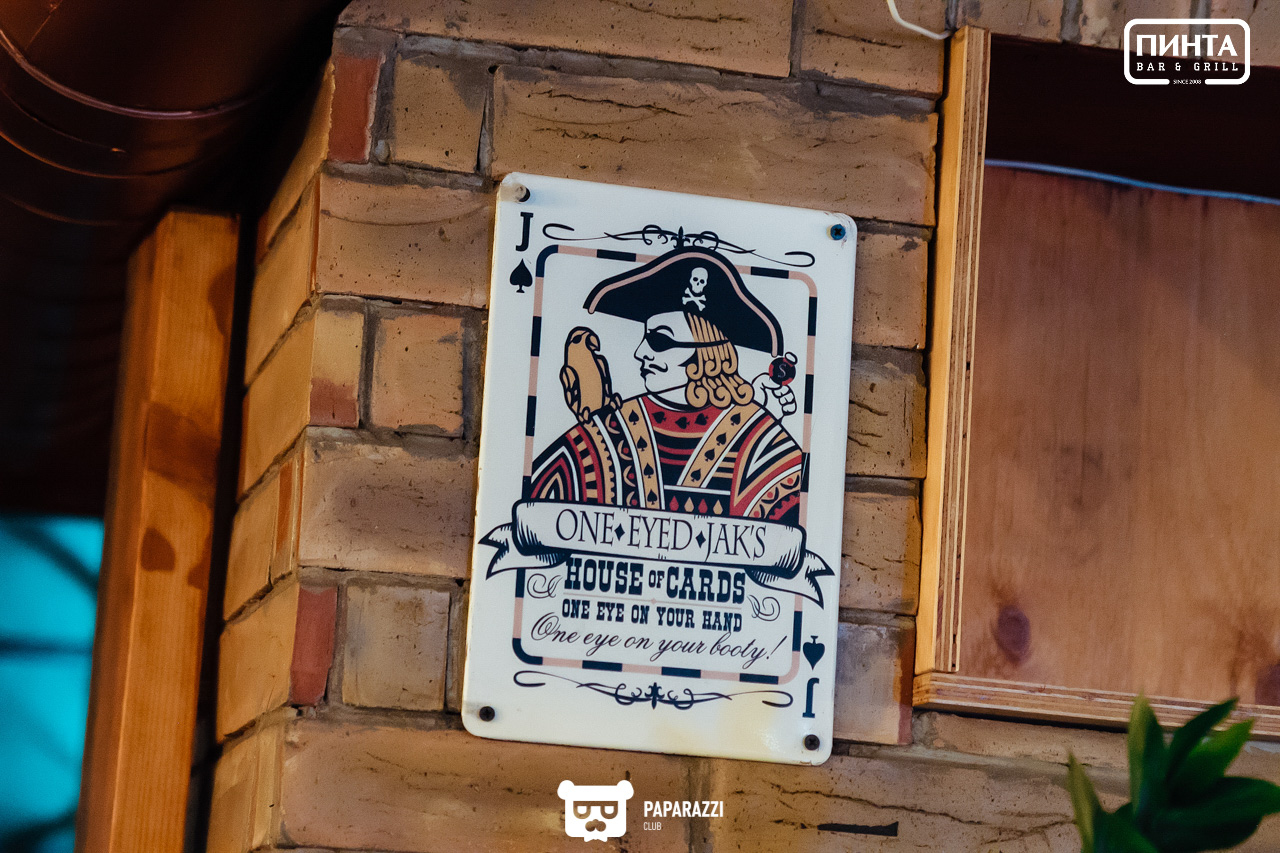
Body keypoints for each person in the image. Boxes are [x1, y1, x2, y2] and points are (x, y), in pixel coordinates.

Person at [529, 246, 803, 524]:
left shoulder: (758, 438)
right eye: (644, 338)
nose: (640, 353)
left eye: (659, 341)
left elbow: (792, 525)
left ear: (708, 356)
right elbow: (535, 511)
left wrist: (762, 418)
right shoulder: (606, 430)